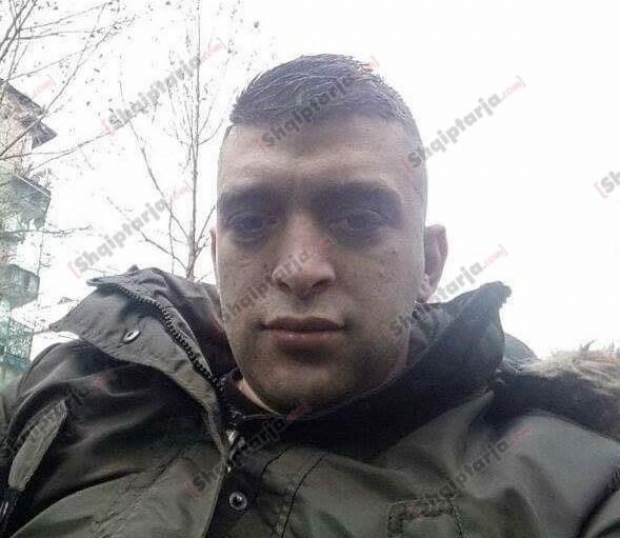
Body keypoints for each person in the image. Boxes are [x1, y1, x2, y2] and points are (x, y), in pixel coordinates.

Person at [1, 54, 619, 537]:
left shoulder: (573, 488)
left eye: (358, 219)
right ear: (215, 252)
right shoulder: (66, 395)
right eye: (251, 222)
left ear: (429, 263)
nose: (299, 270)